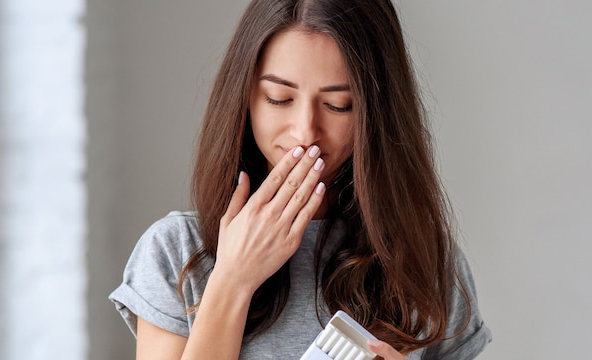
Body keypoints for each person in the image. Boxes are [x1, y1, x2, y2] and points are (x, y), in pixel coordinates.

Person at [109, 0, 492, 359]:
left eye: (338, 105)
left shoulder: (425, 260)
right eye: (279, 98)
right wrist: (232, 281)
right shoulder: (177, 252)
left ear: (376, 113)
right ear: (244, 97)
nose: (305, 132)